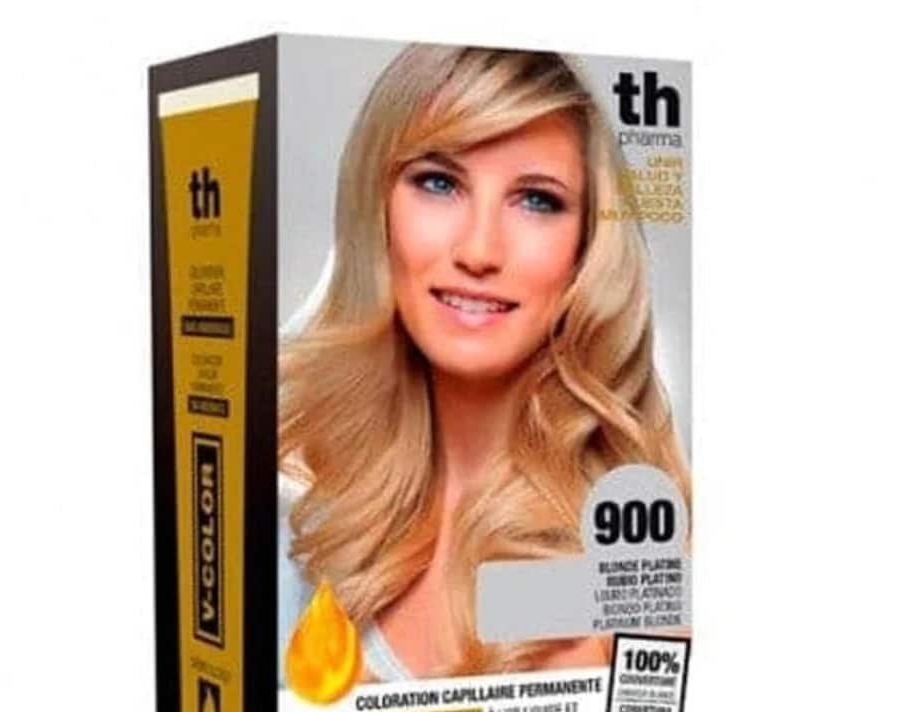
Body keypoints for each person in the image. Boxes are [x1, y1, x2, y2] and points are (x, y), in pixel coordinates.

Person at [278, 44, 690, 680]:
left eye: (537, 200)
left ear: (586, 248)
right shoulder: (312, 515)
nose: (478, 251)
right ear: (376, 210)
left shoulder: (638, 563)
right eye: (439, 183)